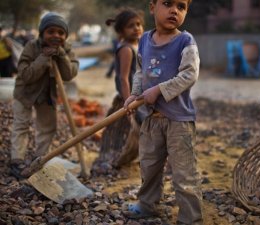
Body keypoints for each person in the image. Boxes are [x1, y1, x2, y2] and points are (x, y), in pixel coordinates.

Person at [122, 0, 203, 224]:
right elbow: (141, 71)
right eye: (167, 3)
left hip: (179, 121)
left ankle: (190, 218)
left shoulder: (185, 41)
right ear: (152, 7)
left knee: (184, 174)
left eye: (181, 6)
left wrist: (159, 89)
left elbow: (189, 74)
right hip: (151, 118)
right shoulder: (145, 40)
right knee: (149, 166)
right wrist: (135, 94)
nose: (174, 10)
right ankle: (148, 205)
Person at [10, 12, 79, 178]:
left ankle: (40, 159)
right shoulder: (31, 47)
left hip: (47, 93)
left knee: (48, 127)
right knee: (21, 124)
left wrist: (61, 55)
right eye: (51, 31)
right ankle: (16, 161)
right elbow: (26, 75)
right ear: (42, 33)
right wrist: (43, 57)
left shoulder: (67, 50)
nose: (56, 36)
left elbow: (69, 74)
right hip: (25, 92)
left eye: (61, 33)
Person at [92, 8, 146, 174]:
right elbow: (123, 77)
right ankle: (112, 159)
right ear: (122, 31)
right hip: (129, 97)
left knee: (139, 129)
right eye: (131, 26)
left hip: (141, 97)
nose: (136, 28)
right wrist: (128, 101)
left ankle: (133, 156)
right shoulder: (126, 49)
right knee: (122, 132)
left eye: (139, 24)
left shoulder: (139, 45)